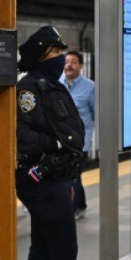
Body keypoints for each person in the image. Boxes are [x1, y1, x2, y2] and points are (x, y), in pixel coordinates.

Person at [15, 26, 103, 260]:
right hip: (44, 184)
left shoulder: (52, 85)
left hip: (55, 181)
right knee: (64, 258)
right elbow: (23, 136)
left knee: (41, 251)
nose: (61, 57)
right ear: (42, 56)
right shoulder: (29, 88)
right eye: (55, 52)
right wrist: (55, 144)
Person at [60, 51, 95, 220]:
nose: (69, 65)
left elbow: (96, 113)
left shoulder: (90, 87)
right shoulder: (56, 84)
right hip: (60, 142)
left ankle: (74, 209)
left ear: (81, 66)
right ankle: (80, 205)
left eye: (73, 62)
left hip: (81, 142)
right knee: (70, 176)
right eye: (67, 61)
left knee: (73, 175)